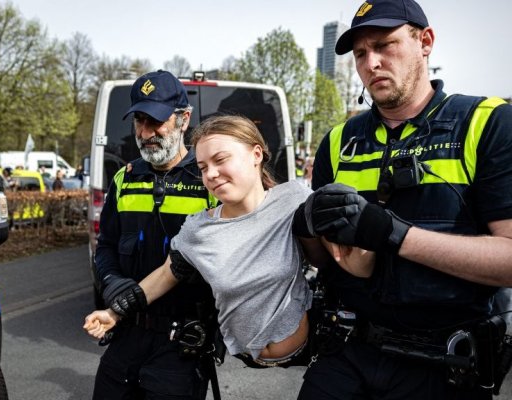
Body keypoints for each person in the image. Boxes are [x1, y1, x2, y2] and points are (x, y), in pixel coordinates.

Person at [298, 1, 512, 399]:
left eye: (384, 45)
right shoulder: (337, 141)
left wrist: (396, 235)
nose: (371, 62)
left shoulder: (487, 122)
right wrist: (307, 230)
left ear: (425, 41)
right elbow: (324, 260)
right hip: (347, 351)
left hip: (443, 363)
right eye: (360, 53)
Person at [84, 115, 372, 369]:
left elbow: (347, 264)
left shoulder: (295, 201)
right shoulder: (198, 229)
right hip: (242, 356)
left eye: (220, 160)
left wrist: (367, 227)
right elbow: (163, 275)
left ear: (256, 154)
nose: (210, 174)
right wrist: (113, 312)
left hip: (302, 355)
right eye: (202, 166)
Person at [88, 70, 219, 400]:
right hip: (126, 335)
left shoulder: (209, 182)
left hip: (181, 347)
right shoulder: (124, 178)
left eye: (155, 122)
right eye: (139, 121)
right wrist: (110, 282)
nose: (145, 133)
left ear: (183, 119)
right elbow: (105, 247)